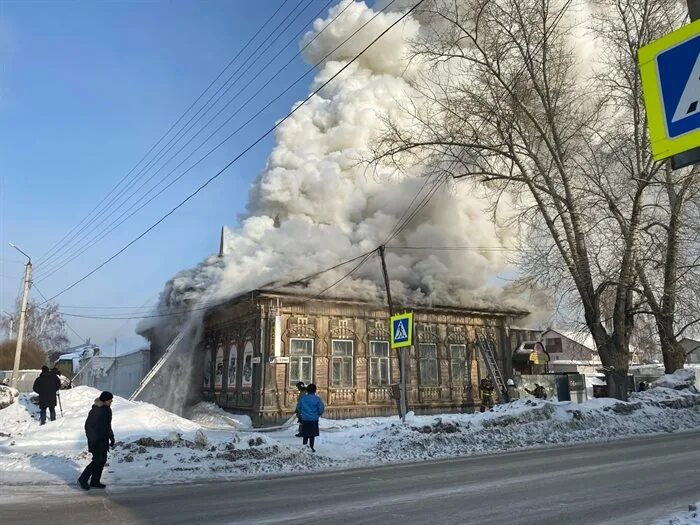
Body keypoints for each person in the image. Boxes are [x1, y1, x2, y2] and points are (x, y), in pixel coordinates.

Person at [78, 391, 115, 490]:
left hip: (104, 440)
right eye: (110, 400)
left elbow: (108, 426)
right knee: (97, 461)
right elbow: (88, 427)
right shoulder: (96, 411)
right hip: (96, 441)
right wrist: (93, 440)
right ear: (105, 400)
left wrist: (111, 437)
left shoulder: (108, 410)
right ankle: (83, 479)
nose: (111, 401)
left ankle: (95, 481)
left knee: (102, 461)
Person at [297, 383, 324, 452]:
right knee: (312, 435)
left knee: (305, 434)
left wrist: (302, 413)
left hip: (305, 419)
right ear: (315, 390)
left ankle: (304, 447)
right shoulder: (317, 399)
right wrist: (317, 414)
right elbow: (321, 408)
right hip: (314, 419)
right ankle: (311, 447)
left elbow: (298, 407)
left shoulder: (303, 398)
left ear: (307, 390)